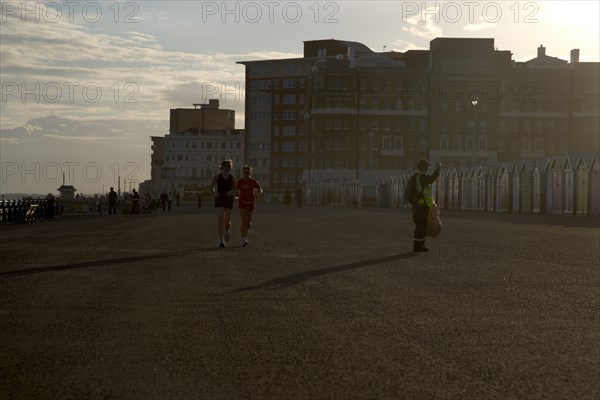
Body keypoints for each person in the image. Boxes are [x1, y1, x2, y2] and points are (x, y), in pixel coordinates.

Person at [411, 159, 441, 252]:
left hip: (419, 205)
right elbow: (431, 179)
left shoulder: (416, 176)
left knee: (421, 225)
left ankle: (421, 245)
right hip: (422, 204)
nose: (428, 168)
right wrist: (438, 169)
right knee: (421, 226)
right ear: (423, 167)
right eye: (427, 166)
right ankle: (418, 247)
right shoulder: (422, 177)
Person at [211, 159, 236, 248]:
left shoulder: (232, 178)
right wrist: (214, 193)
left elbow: (235, 190)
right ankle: (221, 240)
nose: (229, 168)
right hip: (219, 199)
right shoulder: (217, 177)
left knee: (227, 220)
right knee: (221, 220)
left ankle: (227, 231)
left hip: (229, 200)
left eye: (230, 166)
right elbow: (211, 188)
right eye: (227, 166)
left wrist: (232, 192)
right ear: (223, 167)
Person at [236, 165, 263, 247]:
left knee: (248, 224)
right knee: (243, 222)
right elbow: (235, 190)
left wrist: (259, 193)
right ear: (242, 173)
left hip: (251, 203)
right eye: (244, 172)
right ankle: (243, 239)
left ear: (250, 173)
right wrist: (236, 195)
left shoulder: (253, 182)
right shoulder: (239, 182)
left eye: (247, 172)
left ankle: (246, 231)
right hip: (242, 203)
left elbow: (260, 189)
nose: (245, 173)